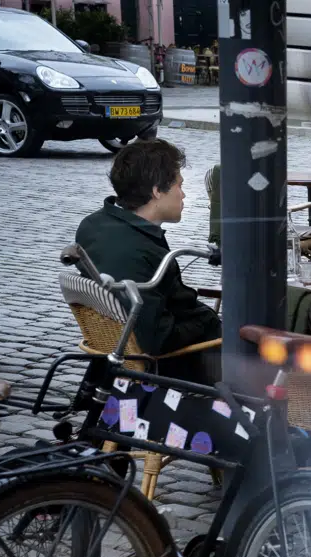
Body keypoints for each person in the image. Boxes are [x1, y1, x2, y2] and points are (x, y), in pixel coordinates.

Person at [75, 139, 221, 385]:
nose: (183, 194)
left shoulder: (93, 226)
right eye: (179, 185)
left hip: (117, 350)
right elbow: (156, 339)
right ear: (156, 191)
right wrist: (206, 321)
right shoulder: (141, 250)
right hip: (175, 366)